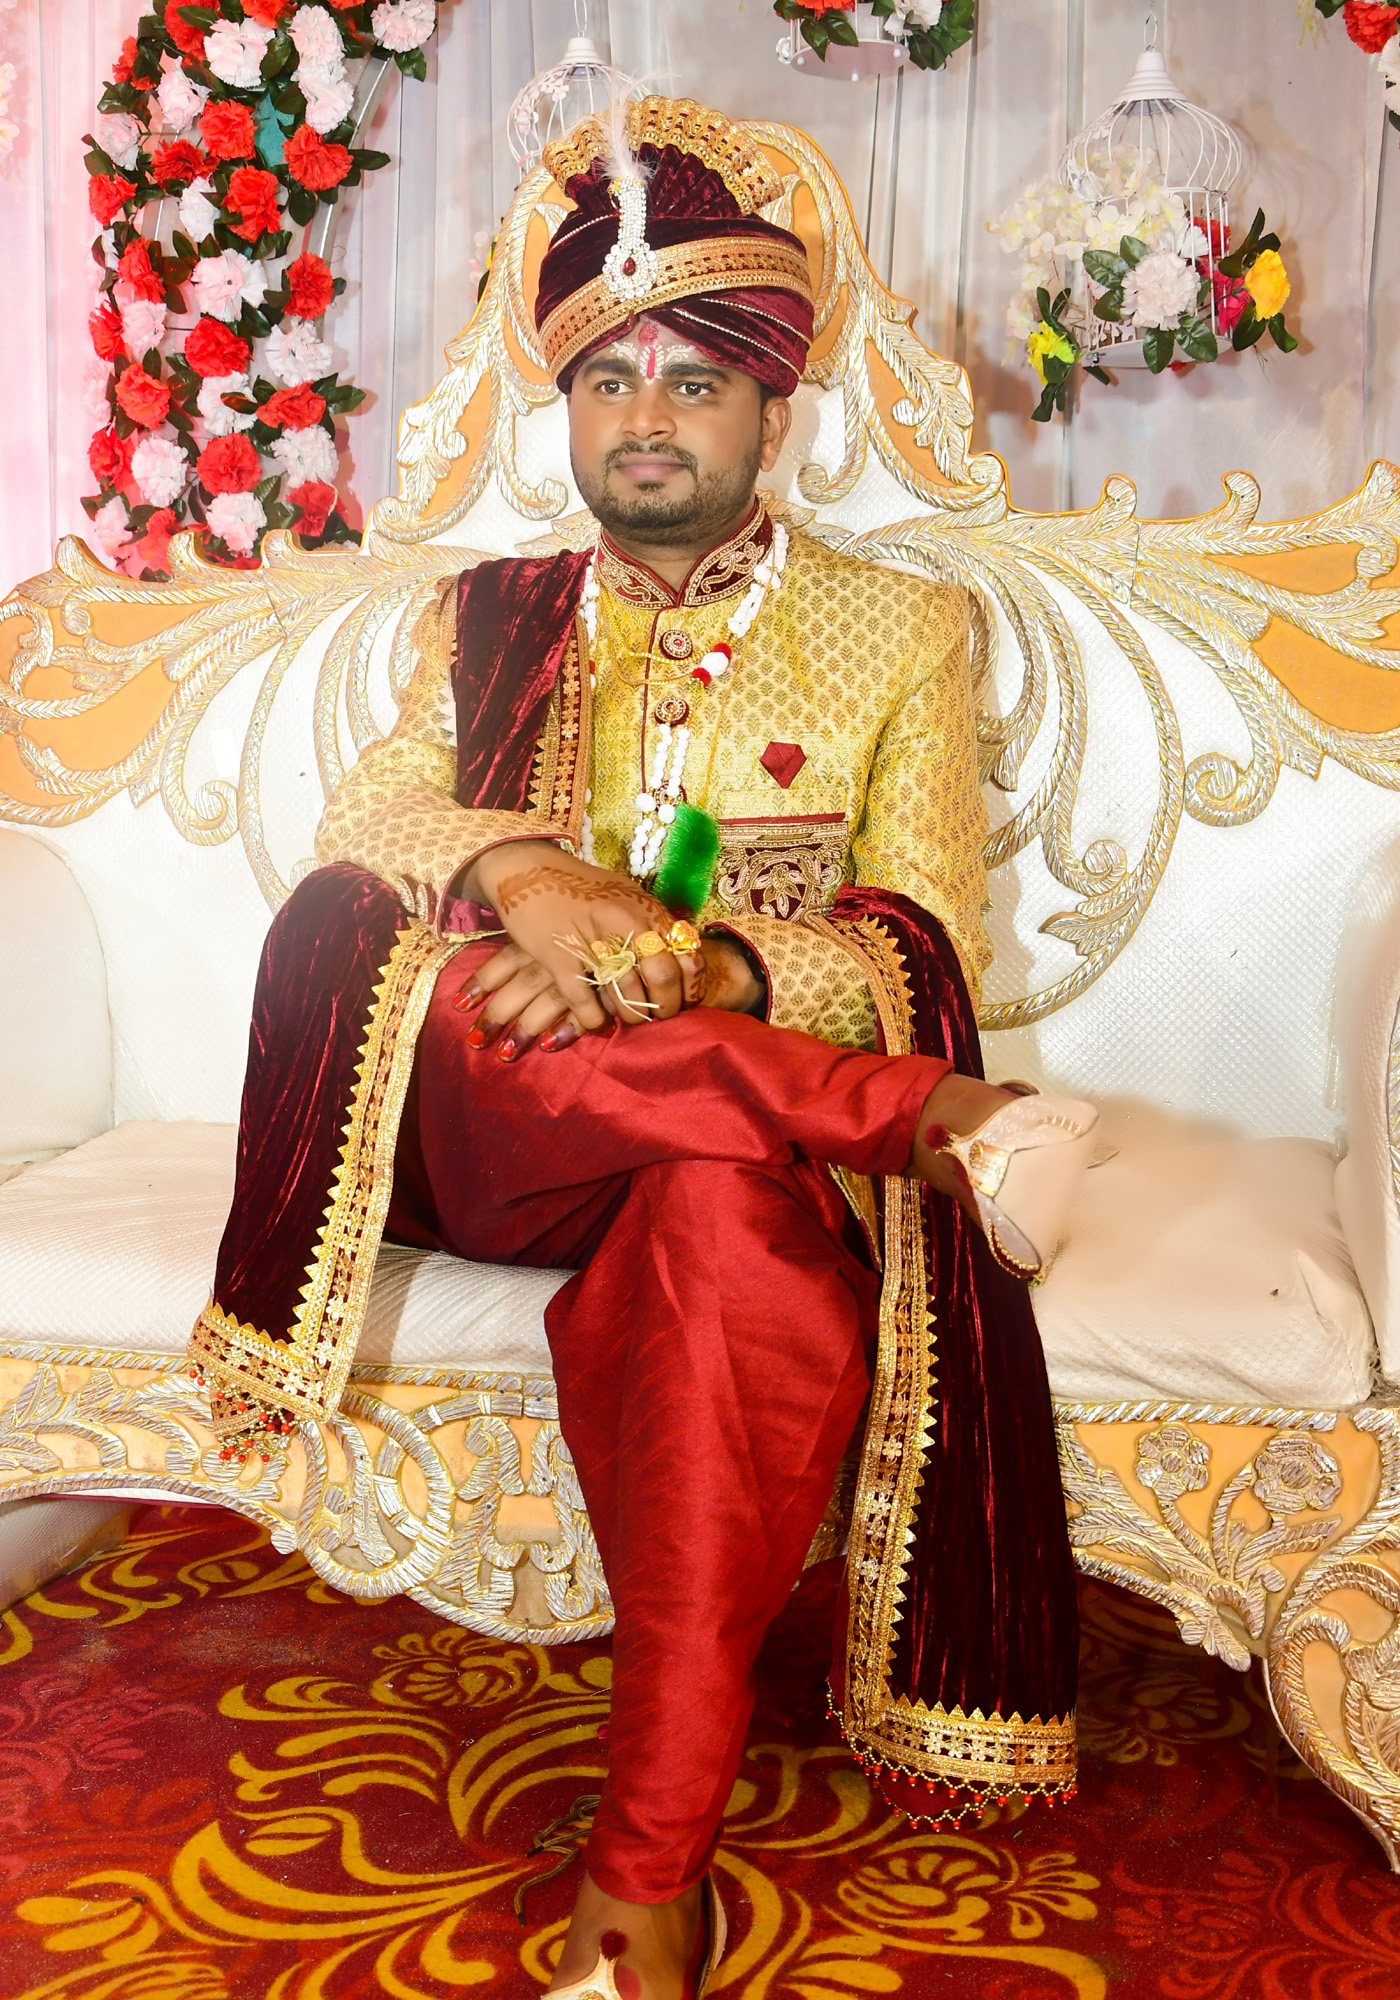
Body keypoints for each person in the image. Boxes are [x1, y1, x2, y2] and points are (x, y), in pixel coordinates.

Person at [189, 95, 1091, 2000]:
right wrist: (532, 877)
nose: (646, 418)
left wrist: (700, 982)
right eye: (606, 380)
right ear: (567, 411)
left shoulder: (901, 631)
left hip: (690, 1136)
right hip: (480, 1140)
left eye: (693, 378)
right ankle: (925, 1126)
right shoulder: (490, 617)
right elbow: (366, 819)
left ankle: (641, 1890)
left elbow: (919, 928)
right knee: (411, 964)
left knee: (724, 1241)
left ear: (778, 411)